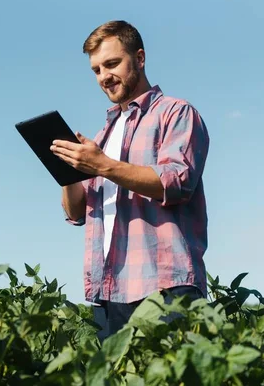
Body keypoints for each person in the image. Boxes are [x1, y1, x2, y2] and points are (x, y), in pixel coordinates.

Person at [50, 20, 210, 342]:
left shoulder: (175, 113)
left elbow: (176, 181)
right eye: (96, 70)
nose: (104, 76)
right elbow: (77, 213)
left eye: (111, 64)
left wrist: (103, 165)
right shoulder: (102, 135)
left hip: (165, 286)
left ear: (139, 58)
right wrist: (69, 172)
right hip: (109, 290)